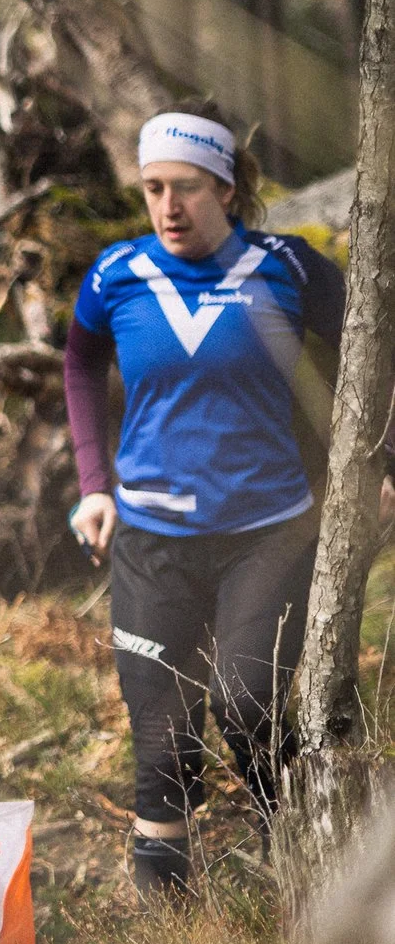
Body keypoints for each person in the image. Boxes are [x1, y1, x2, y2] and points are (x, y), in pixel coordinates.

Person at [64, 105, 360, 902]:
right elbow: (80, 362)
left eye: (187, 188)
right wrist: (94, 483)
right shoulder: (117, 273)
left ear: (227, 189)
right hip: (151, 540)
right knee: (161, 745)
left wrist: (381, 465)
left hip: (267, 531)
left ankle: (294, 854)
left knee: (246, 701)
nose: (167, 206)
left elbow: (375, 351)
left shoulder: (289, 269)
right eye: (154, 187)